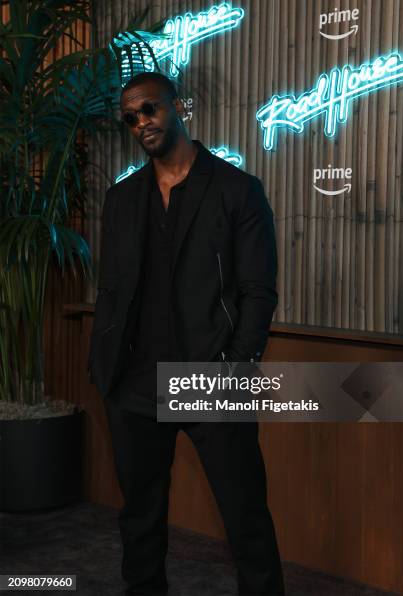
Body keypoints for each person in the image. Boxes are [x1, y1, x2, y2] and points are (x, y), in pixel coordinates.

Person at [87, 71, 285, 595]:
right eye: (130, 118)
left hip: (210, 376)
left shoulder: (236, 190)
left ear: (180, 108)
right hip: (133, 383)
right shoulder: (122, 198)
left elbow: (258, 291)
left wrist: (234, 368)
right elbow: (113, 289)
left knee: (246, 518)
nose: (141, 123)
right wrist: (104, 365)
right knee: (140, 520)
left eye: (149, 109)